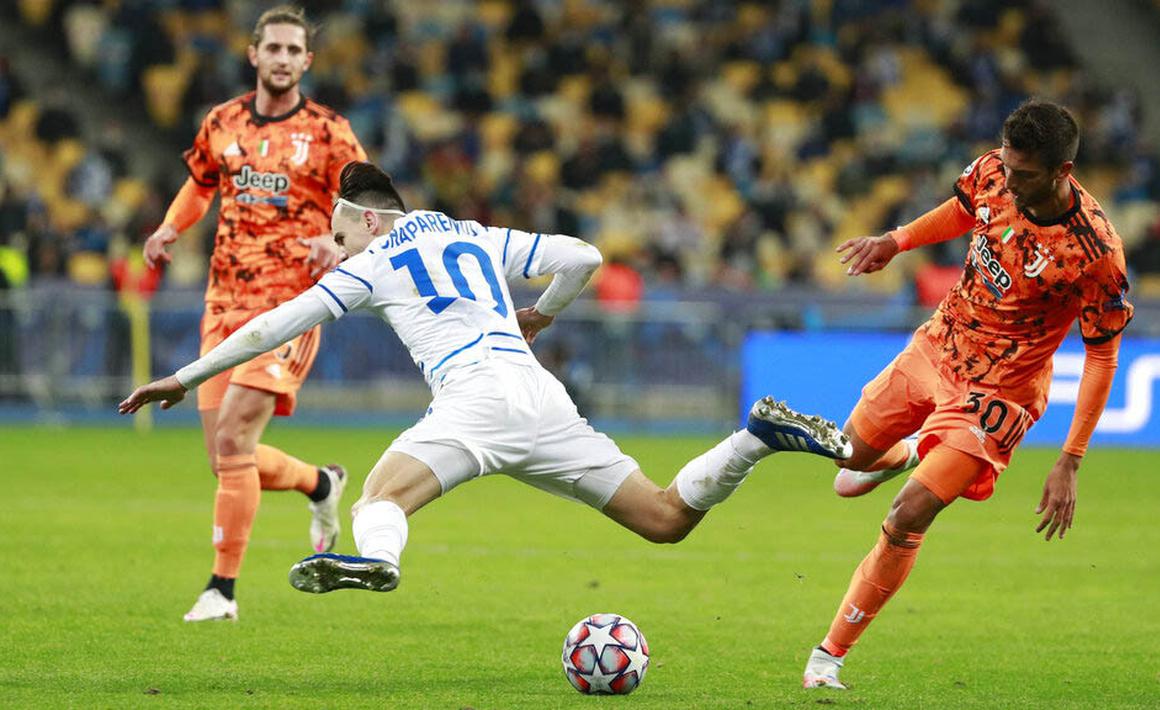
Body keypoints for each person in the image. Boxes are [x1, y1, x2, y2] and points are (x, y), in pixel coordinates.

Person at [120, 161, 854, 599]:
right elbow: (585, 255)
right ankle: (754, 439)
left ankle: (378, 560)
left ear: (369, 224)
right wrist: (541, 315)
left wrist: (183, 377)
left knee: (379, 497)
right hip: (538, 395)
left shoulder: (372, 262)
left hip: (472, 399)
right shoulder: (472, 234)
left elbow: (270, 326)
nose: (335, 253)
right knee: (662, 519)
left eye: (339, 238)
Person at [802, 100, 1133, 689]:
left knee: (908, 514)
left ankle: (828, 656)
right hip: (938, 344)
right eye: (1006, 166)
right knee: (845, 459)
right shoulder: (992, 173)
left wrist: (1071, 458)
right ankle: (904, 453)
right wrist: (896, 241)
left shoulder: (1095, 253)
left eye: (1025, 174)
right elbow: (963, 210)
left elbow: (1102, 355)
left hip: (997, 395)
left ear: (1064, 170)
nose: (1009, 181)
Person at [141, 6, 368, 622]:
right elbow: (199, 184)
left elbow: (370, 206)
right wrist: (168, 227)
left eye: (295, 50)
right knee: (226, 458)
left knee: (237, 438)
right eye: (274, 48)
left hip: (291, 307)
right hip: (223, 303)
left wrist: (336, 239)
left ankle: (222, 591)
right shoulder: (223, 121)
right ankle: (321, 485)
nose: (283, 58)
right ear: (254, 54)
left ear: (307, 61)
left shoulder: (329, 132)